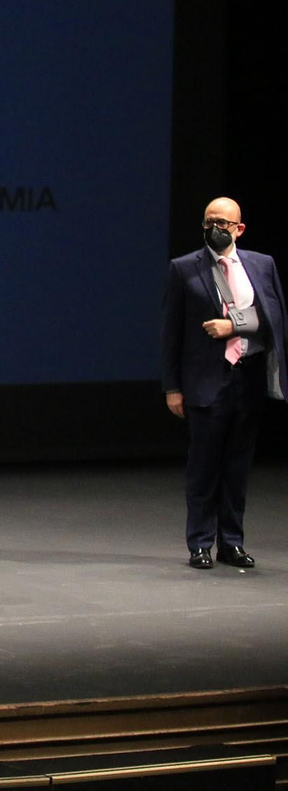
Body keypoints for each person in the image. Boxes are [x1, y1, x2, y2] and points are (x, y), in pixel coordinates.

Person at [161, 197, 285, 570]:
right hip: (205, 381)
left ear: (239, 228)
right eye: (209, 221)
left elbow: (274, 315)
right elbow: (172, 332)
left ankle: (231, 542)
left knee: (237, 467)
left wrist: (234, 326)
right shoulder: (184, 269)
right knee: (204, 467)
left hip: (246, 378)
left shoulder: (262, 265)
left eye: (223, 222)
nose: (216, 228)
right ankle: (199, 543)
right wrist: (172, 387)